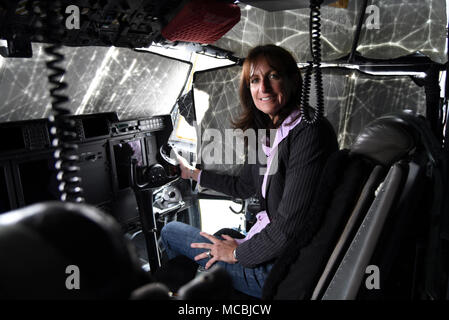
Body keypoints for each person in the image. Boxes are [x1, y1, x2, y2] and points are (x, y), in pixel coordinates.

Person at [159, 44, 338, 298]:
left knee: (170, 232)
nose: (263, 88)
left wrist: (235, 253)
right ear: (248, 88)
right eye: (255, 80)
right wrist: (192, 174)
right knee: (222, 235)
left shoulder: (308, 131)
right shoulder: (267, 132)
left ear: (292, 80)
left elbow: (289, 227)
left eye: (273, 76)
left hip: (279, 272)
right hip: (274, 251)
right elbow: (243, 187)